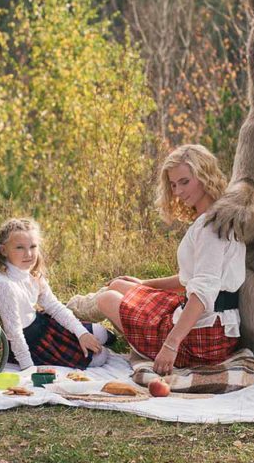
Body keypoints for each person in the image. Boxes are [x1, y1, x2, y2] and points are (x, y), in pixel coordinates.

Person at [91, 144, 244, 374]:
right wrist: (143, 284)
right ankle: (87, 314)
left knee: (107, 299)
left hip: (203, 340)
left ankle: (93, 319)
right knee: (119, 285)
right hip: (211, 325)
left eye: (184, 181)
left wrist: (170, 346)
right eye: (173, 185)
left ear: (204, 176)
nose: (178, 192)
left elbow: (202, 292)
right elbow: (190, 279)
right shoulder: (216, 215)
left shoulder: (211, 227)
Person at [0, 218, 112, 373]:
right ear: (4, 250)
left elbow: (55, 307)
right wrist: (28, 368)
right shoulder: (5, 285)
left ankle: (101, 337)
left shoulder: (31, 275)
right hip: (31, 343)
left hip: (44, 325)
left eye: (33, 246)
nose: (29, 254)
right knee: (101, 357)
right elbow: (14, 333)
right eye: (20, 248)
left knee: (99, 333)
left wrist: (82, 334)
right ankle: (100, 346)